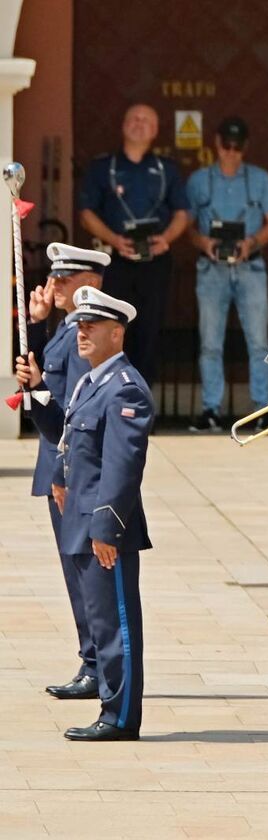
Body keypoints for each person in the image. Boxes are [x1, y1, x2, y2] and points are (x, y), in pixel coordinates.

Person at [18, 287, 154, 740]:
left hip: (101, 524)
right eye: (79, 324)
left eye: (91, 326)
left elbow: (122, 467)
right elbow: (66, 436)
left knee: (116, 626)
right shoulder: (90, 381)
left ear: (117, 333)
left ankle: (119, 717)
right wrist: (38, 389)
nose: (81, 332)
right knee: (100, 622)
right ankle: (110, 708)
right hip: (78, 517)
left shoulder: (124, 388)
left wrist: (107, 528)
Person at [20, 244, 106, 699]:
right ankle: (90, 659)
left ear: (91, 283)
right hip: (57, 461)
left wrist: (61, 473)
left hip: (67, 466)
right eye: (54, 276)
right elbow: (41, 383)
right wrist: (34, 326)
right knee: (75, 571)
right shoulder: (63, 330)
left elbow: (75, 411)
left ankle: (97, 663)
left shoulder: (80, 335)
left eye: (65, 278)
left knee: (84, 573)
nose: (54, 284)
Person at [79, 104, 189, 387]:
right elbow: (87, 213)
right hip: (116, 259)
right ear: (123, 126)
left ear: (155, 130)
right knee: (113, 328)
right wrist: (113, 239)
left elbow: (182, 213)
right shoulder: (103, 167)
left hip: (155, 262)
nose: (139, 124)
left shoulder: (167, 169)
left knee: (150, 331)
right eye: (133, 119)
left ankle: (143, 400)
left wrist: (166, 239)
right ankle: (109, 395)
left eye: (146, 121)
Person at [185, 117, 268, 433]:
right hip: (211, 268)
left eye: (236, 146)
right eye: (226, 145)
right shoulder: (199, 180)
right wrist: (205, 242)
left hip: (250, 266)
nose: (231, 152)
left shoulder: (260, 179)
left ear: (244, 147)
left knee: (259, 341)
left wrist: (251, 242)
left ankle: (262, 408)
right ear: (216, 143)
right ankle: (210, 409)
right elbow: (185, 226)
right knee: (210, 343)